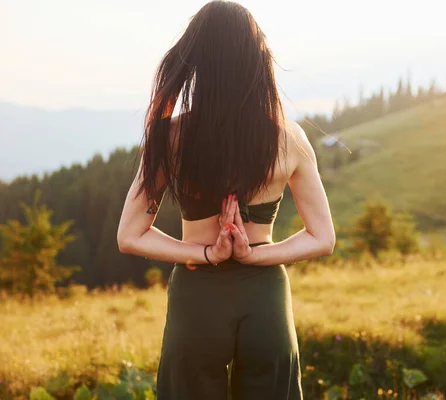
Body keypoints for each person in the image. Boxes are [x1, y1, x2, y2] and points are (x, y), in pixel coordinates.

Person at [116, 1, 336, 399]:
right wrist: (253, 256)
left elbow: (130, 235)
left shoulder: (170, 137)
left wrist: (204, 254)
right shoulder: (290, 138)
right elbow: (322, 238)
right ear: (258, 59)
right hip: (265, 295)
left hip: (198, 295)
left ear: (196, 60)